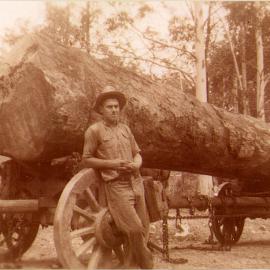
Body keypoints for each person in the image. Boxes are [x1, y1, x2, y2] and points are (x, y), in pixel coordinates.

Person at [82, 85, 153, 269]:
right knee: (134, 229)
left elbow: (137, 153)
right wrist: (112, 164)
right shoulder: (94, 131)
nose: (114, 110)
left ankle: (131, 264)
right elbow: (87, 159)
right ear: (101, 110)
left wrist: (137, 164)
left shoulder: (125, 130)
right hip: (116, 186)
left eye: (116, 106)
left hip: (135, 182)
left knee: (143, 227)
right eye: (109, 107)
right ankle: (148, 265)